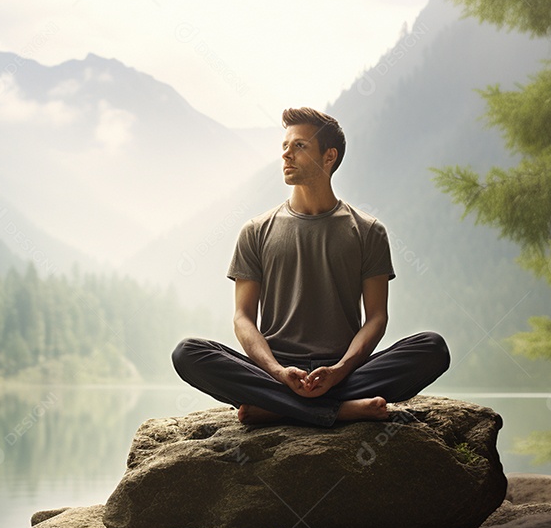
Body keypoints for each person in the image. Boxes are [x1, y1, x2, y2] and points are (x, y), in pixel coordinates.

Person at [171, 107, 450, 427]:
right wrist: (277, 372)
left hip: (344, 373)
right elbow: (242, 317)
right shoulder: (256, 230)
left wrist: (338, 371)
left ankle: (280, 409)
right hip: (274, 372)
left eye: (299, 146)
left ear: (329, 157)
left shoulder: (369, 231)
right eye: (284, 147)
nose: (286, 155)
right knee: (187, 353)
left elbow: (376, 317)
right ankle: (337, 411)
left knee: (433, 348)